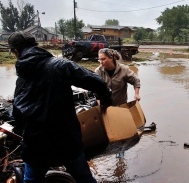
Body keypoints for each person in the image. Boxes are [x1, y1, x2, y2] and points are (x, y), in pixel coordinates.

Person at [9, 31, 113, 183]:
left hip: (35, 145)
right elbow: (97, 82)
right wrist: (105, 102)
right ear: (36, 46)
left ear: (16, 52)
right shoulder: (60, 65)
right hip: (66, 140)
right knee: (84, 179)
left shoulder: (22, 78)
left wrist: (23, 132)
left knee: (31, 180)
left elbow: (18, 111)